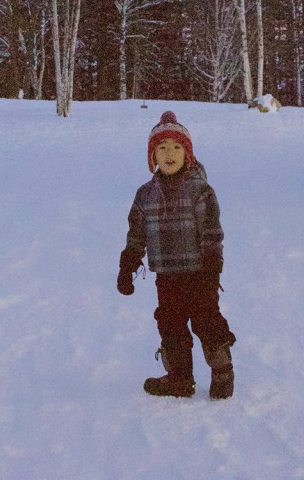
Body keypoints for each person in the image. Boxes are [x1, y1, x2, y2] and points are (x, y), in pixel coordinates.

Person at [117, 111, 236, 399]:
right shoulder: (145, 195)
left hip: (199, 273)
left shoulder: (200, 191)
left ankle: (222, 374)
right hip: (167, 277)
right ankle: (179, 378)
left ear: (188, 153)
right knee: (170, 325)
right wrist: (128, 263)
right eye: (162, 148)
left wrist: (212, 268)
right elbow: (137, 233)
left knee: (207, 322)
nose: (169, 153)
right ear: (152, 157)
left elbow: (211, 233)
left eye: (176, 147)